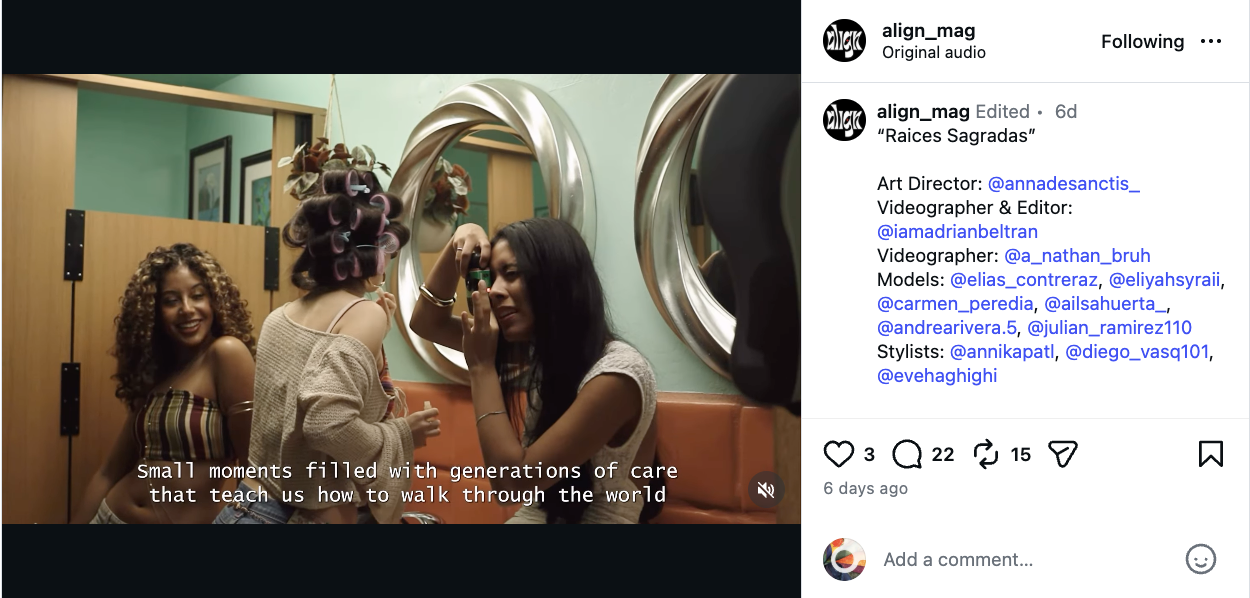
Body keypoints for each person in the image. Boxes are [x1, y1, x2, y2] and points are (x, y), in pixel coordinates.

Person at [215, 169, 440, 525]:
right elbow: (325, 424)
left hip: (245, 507)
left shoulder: (279, 316)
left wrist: (375, 346)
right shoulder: (364, 315)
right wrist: (403, 433)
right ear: (374, 256)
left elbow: (302, 408)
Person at [409, 218, 665, 524]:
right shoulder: (543, 351)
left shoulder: (618, 374)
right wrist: (457, 246)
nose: (494, 290)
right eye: (492, 277)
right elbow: (426, 323)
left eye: (512, 274)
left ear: (557, 278)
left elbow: (512, 483)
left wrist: (481, 368)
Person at [72, 243, 256, 524]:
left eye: (197, 295)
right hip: (111, 518)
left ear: (215, 301)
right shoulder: (158, 373)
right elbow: (109, 472)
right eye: (171, 300)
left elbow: (253, 470)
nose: (186, 309)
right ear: (154, 312)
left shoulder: (226, 353)